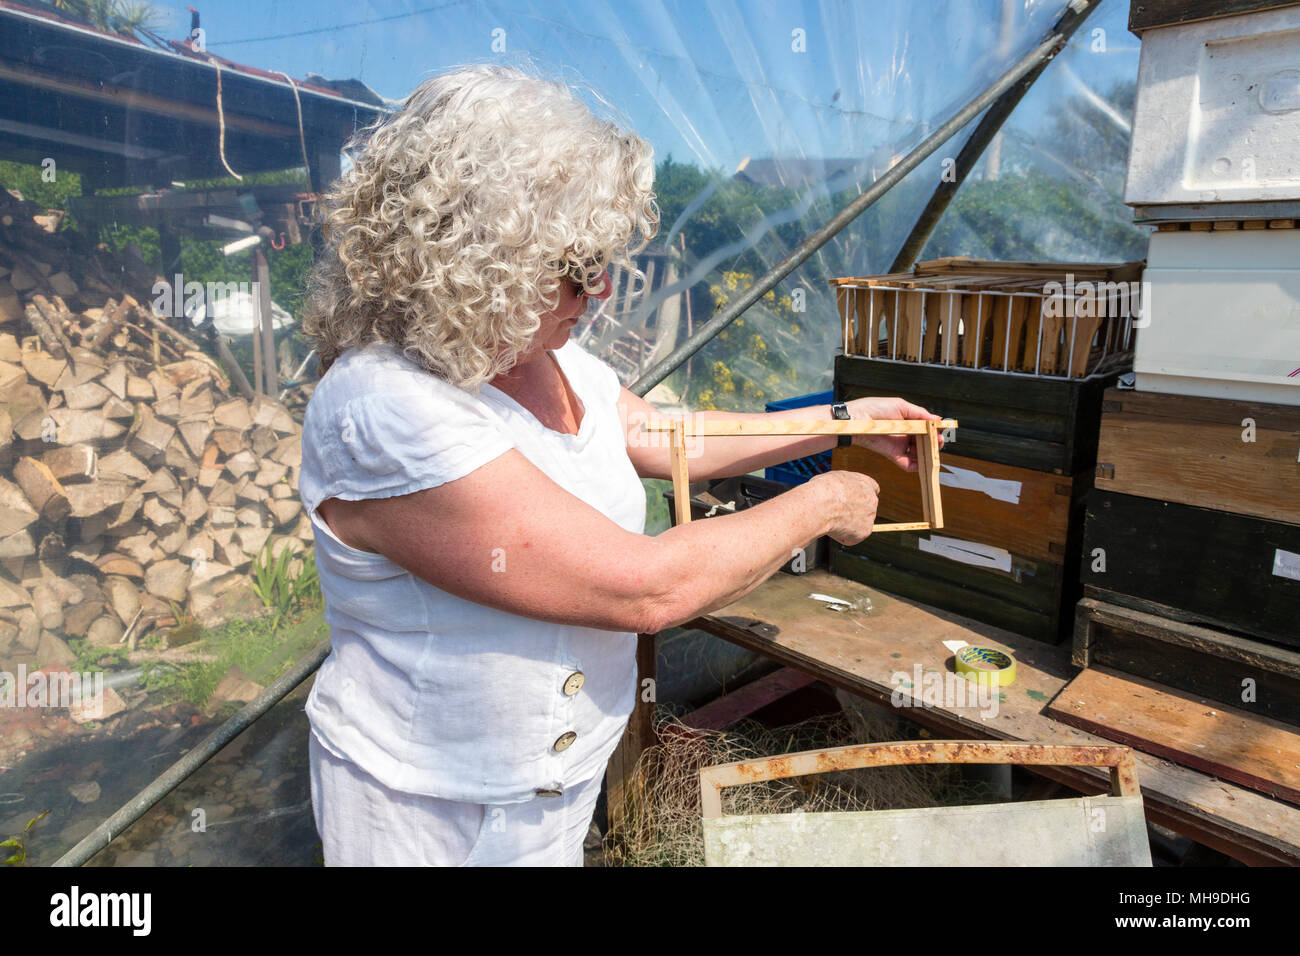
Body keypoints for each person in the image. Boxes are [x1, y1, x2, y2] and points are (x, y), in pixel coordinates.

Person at [297, 64, 939, 866]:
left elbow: (674, 438)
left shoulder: (545, 359)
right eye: (571, 267)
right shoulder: (382, 405)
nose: (598, 289)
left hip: (557, 794)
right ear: (476, 255)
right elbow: (644, 586)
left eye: (600, 260)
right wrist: (827, 502)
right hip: (428, 813)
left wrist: (844, 422)